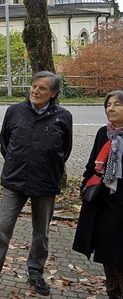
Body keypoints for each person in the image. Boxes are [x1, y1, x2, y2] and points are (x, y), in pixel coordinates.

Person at [0, 71, 73, 299]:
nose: (35, 91)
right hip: (14, 182)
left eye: (42, 88)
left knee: (41, 234)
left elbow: (64, 150)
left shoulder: (63, 116)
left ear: (53, 93)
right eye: (34, 86)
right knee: (1, 231)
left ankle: (35, 274)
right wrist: (17, 163)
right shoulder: (14, 111)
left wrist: (47, 167)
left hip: (45, 184)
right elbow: (4, 144)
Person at [73, 90, 123, 299]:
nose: (110, 108)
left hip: (122, 205)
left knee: (119, 255)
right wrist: (86, 187)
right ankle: (113, 293)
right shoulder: (104, 133)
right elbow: (92, 165)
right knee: (106, 254)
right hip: (103, 203)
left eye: (117, 104)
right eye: (108, 105)